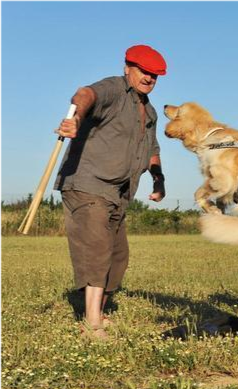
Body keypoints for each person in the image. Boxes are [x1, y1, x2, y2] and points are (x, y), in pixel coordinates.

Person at [54, 44, 167, 339]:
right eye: (144, 71)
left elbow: (152, 151)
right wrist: (76, 118)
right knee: (97, 250)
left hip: (119, 192)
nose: (149, 78)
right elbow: (85, 94)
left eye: (155, 75)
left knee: (118, 257)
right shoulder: (113, 89)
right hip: (88, 183)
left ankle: (99, 312)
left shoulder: (150, 112)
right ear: (127, 66)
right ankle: (92, 324)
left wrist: (159, 180)